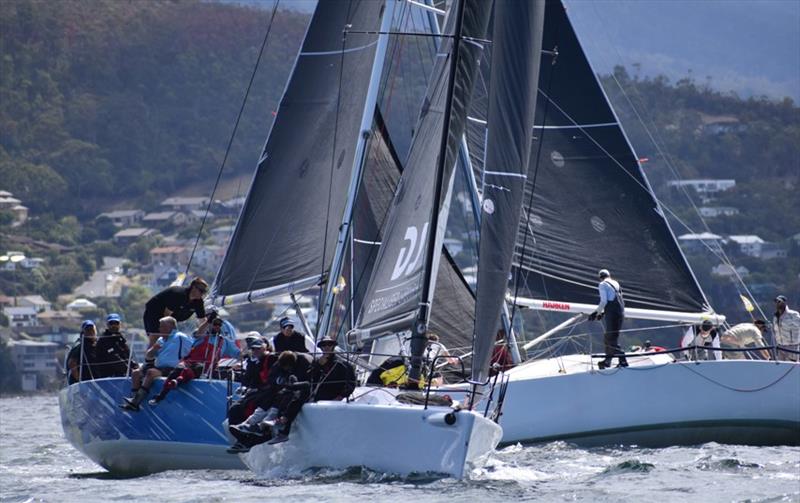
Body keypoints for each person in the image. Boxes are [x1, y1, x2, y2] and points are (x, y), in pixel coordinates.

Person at [148, 315, 241, 405]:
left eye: (219, 325)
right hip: (190, 361)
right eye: (214, 324)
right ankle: (161, 395)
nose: (216, 327)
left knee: (193, 370)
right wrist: (207, 322)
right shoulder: (202, 335)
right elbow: (198, 333)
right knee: (176, 370)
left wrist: (246, 355)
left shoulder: (225, 341)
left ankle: (177, 382)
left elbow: (237, 353)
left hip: (206, 367)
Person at [120, 316, 192, 411]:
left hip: (171, 368)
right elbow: (148, 356)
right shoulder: (161, 339)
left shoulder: (180, 337)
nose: (159, 329)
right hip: (159, 367)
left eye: (162, 326)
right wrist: (154, 349)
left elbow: (193, 346)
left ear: (170, 327)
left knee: (151, 372)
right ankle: (133, 400)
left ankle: (136, 401)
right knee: (135, 373)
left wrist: (187, 361)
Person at [142, 277, 208, 346]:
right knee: (157, 338)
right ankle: (151, 355)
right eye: (201, 291)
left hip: (171, 318)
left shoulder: (198, 302)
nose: (202, 293)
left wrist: (207, 331)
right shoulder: (178, 295)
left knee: (170, 340)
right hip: (154, 313)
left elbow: (202, 319)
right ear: (194, 288)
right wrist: (166, 331)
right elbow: (166, 315)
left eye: (204, 292)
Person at [228, 338, 276, 426]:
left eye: (258, 348)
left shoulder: (271, 358)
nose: (255, 351)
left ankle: (252, 426)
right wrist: (244, 387)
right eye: (253, 349)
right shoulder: (252, 361)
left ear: (264, 349)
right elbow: (248, 378)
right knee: (235, 408)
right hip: (257, 391)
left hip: (269, 391)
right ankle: (237, 428)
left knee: (251, 405)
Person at [589, 269, 627, 369]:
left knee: (609, 338)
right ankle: (607, 361)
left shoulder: (602, 284)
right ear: (609, 275)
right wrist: (603, 313)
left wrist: (595, 313)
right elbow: (615, 299)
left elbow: (604, 302)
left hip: (613, 314)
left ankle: (622, 357)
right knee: (611, 337)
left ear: (600, 277)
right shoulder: (615, 283)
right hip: (620, 313)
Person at [94, 313, 136, 378]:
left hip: (121, 374)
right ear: (107, 325)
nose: (114, 325)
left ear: (120, 324)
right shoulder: (104, 339)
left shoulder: (120, 339)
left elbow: (128, 356)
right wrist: (130, 371)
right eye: (111, 323)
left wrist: (136, 367)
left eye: (116, 323)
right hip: (107, 375)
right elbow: (114, 358)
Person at [773, 295, 800, 361]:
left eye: (779, 301)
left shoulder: (793, 314)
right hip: (780, 347)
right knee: (780, 368)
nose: (777, 303)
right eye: (776, 301)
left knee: (792, 366)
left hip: (791, 346)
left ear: (784, 303)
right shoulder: (775, 316)